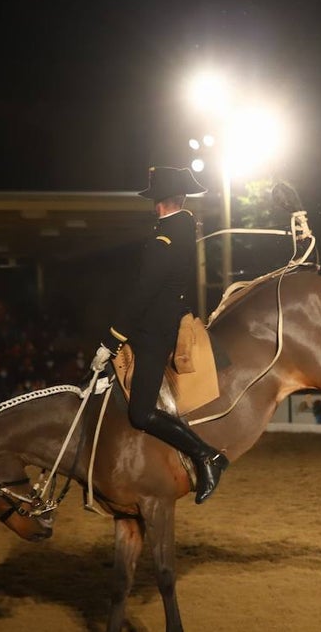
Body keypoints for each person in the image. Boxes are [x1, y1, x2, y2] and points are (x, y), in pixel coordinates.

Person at [91, 166, 228, 504]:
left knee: (140, 413)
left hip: (153, 333)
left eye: (154, 200)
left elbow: (142, 293)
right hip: (156, 322)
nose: (153, 206)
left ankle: (206, 455)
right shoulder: (179, 229)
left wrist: (111, 340)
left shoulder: (163, 238)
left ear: (160, 202)